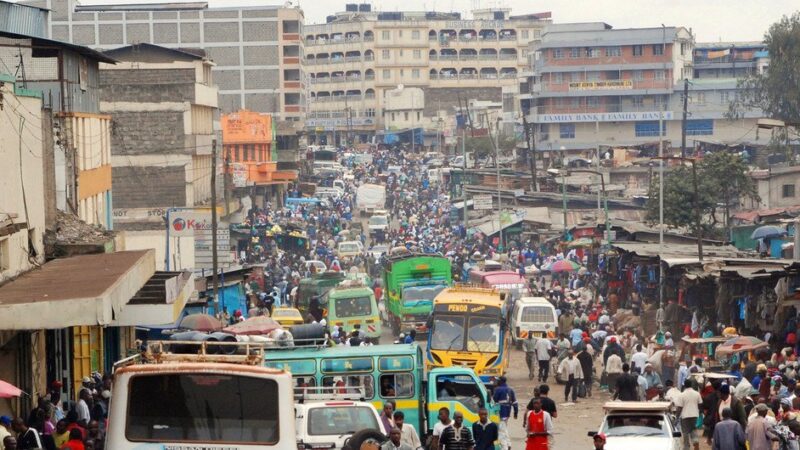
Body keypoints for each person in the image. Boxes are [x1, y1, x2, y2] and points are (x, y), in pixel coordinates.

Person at [675, 380, 703, 450]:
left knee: (685, 432)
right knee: (693, 429)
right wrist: (699, 412)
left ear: (684, 385)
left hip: (685, 416)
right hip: (694, 415)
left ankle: (686, 447)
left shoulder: (682, 394)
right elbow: (700, 404)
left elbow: (679, 408)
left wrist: (677, 417)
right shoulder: (697, 393)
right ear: (691, 385)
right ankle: (696, 442)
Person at [492, 376, 518, 450]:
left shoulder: (498, 389)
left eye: (498, 381)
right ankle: (509, 444)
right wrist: (515, 413)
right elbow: (515, 403)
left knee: (501, 431)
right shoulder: (510, 389)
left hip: (500, 413)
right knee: (504, 428)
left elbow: (494, 401)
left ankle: (504, 447)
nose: (497, 382)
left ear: (501, 381)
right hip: (507, 413)